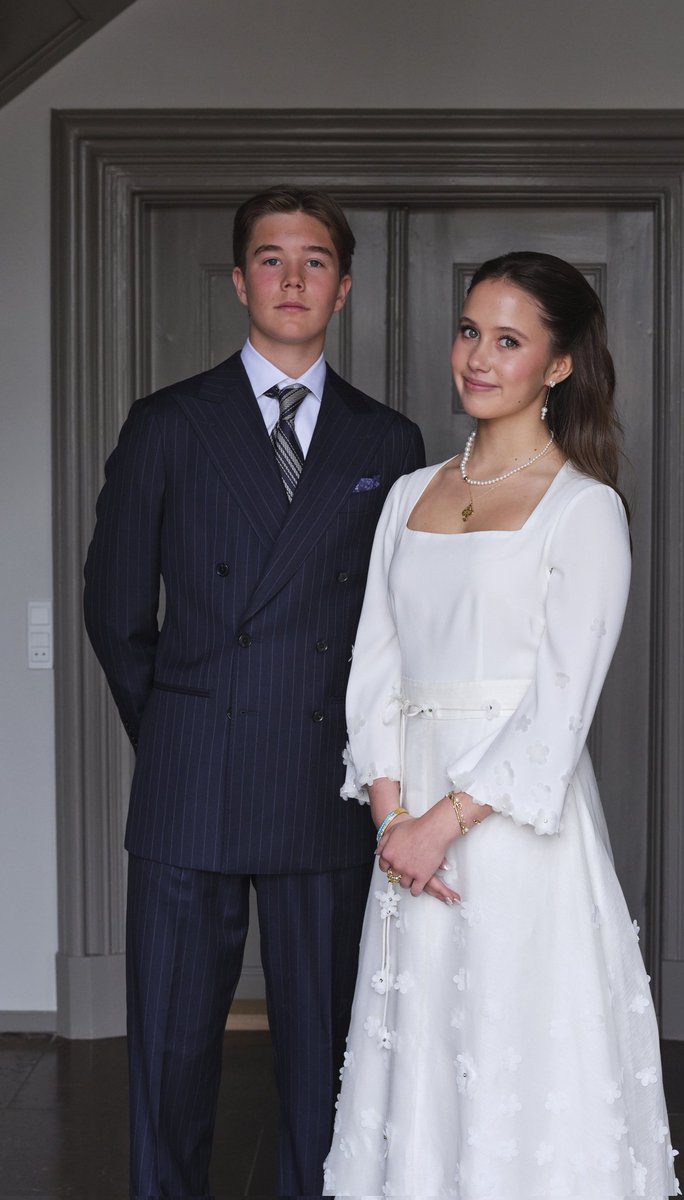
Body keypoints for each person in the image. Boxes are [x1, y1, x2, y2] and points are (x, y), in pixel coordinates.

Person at [83, 185, 425, 1200]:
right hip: (192, 777)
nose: (290, 278)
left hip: (324, 776)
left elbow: (393, 630)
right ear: (238, 280)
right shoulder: (167, 424)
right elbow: (113, 610)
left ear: (344, 286)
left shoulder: (387, 440)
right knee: (171, 1049)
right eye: (269, 259)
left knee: (322, 1054)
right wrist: (183, 729)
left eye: (312, 260)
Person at [323, 252, 679, 1198]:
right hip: (408, 836)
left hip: (515, 834)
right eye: (471, 331)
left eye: (509, 340)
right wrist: (393, 821)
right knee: (424, 1064)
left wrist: (441, 823)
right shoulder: (408, 495)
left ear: (558, 366)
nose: (478, 358)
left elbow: (560, 712)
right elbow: (376, 671)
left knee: (513, 1056)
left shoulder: (585, 511)